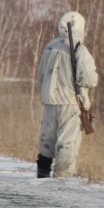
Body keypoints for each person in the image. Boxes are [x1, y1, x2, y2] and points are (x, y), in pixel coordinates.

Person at [36, 11, 98, 178]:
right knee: (67, 142)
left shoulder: (50, 46)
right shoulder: (80, 49)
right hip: (71, 103)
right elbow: (90, 79)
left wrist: (45, 94)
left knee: (46, 140)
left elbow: (41, 76)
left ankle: (42, 173)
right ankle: (62, 179)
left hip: (49, 102)